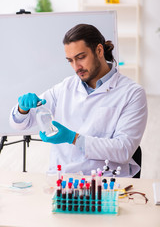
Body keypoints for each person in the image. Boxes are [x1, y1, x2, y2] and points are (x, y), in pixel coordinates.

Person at [10, 24, 147, 177]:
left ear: (99, 51)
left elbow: (124, 150)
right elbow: (22, 123)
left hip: (106, 182)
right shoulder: (65, 87)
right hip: (62, 179)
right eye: (70, 60)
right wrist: (23, 109)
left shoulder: (132, 93)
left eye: (81, 57)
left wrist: (74, 138)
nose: (76, 67)